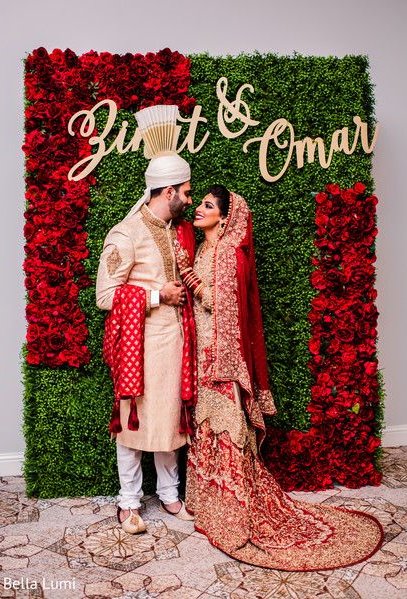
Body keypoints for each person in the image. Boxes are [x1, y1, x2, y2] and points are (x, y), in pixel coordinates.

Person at [174, 184, 383, 570]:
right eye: (200, 203)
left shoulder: (227, 254)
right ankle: (209, 508)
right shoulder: (206, 248)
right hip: (203, 357)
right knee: (207, 430)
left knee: (227, 430)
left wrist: (187, 276)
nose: (200, 210)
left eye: (207, 205)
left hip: (221, 362)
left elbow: (218, 304)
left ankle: (233, 516)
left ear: (225, 215)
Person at [96, 105, 196, 535]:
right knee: (135, 425)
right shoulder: (126, 233)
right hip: (138, 345)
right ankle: (128, 501)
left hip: (175, 342)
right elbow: (104, 296)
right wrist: (158, 294)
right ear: (167, 191)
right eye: (186, 193)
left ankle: (171, 494)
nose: (190, 200)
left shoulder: (177, 230)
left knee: (170, 420)